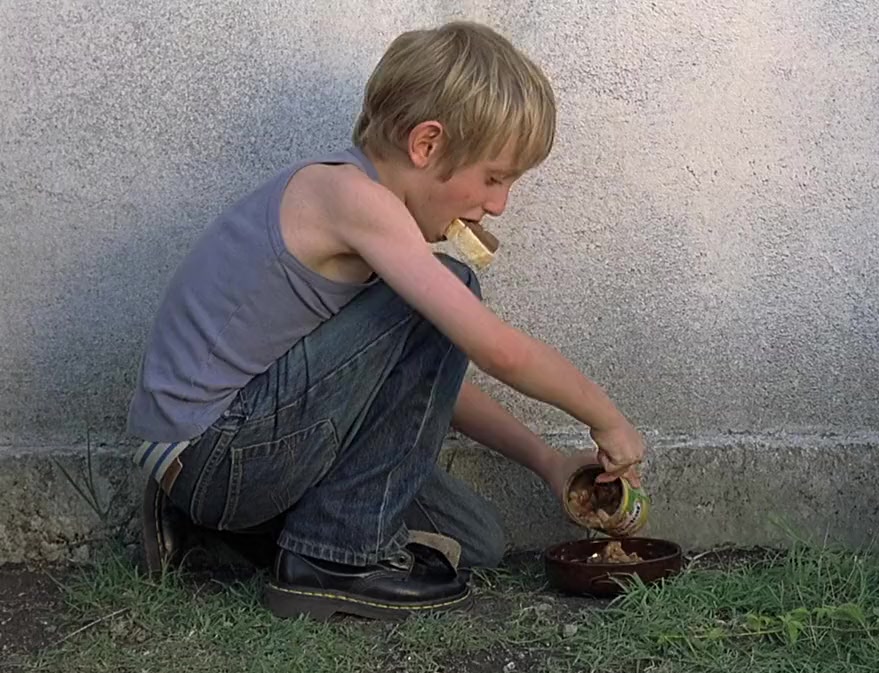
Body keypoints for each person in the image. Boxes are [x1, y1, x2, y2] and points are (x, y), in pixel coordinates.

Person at [126, 21, 646, 621]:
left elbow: (420, 389)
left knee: (475, 540)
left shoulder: (376, 234)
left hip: (243, 453)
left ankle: (220, 528)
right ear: (426, 144)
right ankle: (333, 559)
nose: (499, 205)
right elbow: (497, 349)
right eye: (495, 177)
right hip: (216, 452)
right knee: (455, 283)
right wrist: (606, 418)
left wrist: (548, 461)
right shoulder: (349, 198)